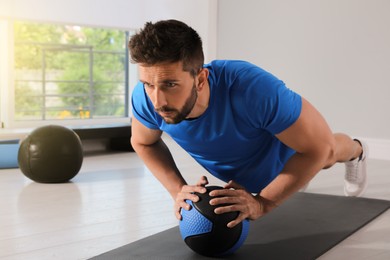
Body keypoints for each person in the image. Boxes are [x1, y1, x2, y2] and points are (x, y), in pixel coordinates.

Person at [128, 19, 368, 228]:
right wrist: (177, 190)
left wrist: (263, 203)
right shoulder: (146, 99)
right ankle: (291, 180)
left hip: (292, 154)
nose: (157, 101)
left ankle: (357, 150)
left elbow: (319, 147)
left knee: (328, 153)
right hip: (247, 173)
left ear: (200, 79)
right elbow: (143, 142)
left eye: (170, 85)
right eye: (148, 84)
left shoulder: (250, 89)